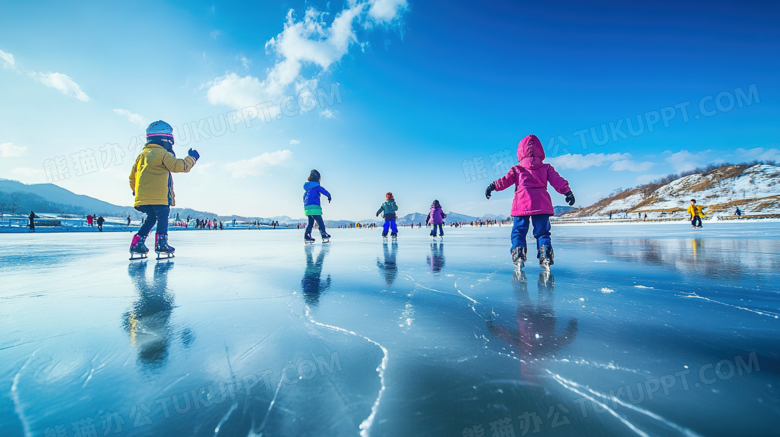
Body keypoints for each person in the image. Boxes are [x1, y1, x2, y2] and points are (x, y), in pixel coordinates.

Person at [485, 134, 575, 269]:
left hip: (522, 204)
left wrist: (493, 186)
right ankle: (545, 252)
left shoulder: (517, 169)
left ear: (520, 152)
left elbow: (505, 180)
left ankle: (518, 252)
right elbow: (558, 181)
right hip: (541, 204)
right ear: (540, 150)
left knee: (518, 231)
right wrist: (567, 192)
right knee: (543, 232)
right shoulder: (546, 168)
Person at [128, 120, 199, 257]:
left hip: (142, 198)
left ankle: (137, 243)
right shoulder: (162, 153)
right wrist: (192, 158)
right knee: (162, 217)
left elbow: (132, 177)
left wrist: (136, 191)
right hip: (159, 197)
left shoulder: (141, 156)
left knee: (151, 218)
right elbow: (178, 166)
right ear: (166, 139)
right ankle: (161, 243)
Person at [303, 169, 332, 243]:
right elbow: (323, 191)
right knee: (320, 221)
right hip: (314, 207)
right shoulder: (317, 186)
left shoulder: (308, 189)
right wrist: (329, 196)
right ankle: (323, 233)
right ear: (318, 179)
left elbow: (304, 197)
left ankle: (307, 235)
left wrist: (306, 204)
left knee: (310, 222)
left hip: (307, 208)